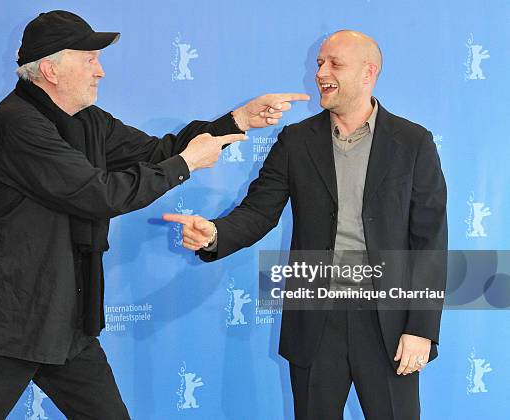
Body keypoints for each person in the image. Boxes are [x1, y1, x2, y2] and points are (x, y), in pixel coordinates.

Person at [0, 10, 309, 419]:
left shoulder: (89, 121)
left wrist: (235, 121)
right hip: (3, 328)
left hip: (67, 324)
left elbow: (157, 152)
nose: (100, 72)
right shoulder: (13, 125)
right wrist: (185, 165)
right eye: (89, 60)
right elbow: (98, 194)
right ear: (50, 70)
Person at [164, 30, 447, 419]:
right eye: (319, 64)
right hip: (315, 321)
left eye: (335, 64)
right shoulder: (296, 140)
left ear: (369, 73)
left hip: (389, 325)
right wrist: (214, 234)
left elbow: (429, 242)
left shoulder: (414, 142)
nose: (321, 73)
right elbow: (258, 212)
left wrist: (422, 327)